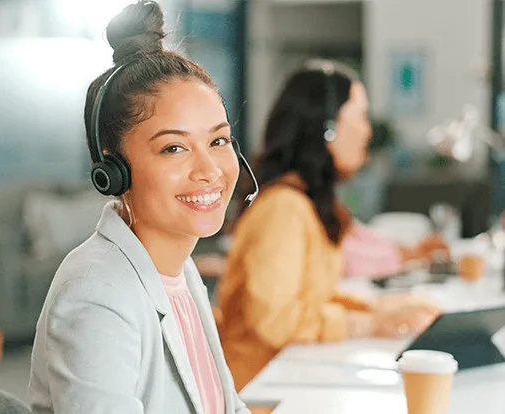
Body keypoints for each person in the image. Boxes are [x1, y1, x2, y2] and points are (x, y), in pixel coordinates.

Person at [28, 2, 250, 413]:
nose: (209, 170)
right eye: (174, 148)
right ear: (113, 170)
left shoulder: (179, 270)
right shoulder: (96, 295)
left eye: (218, 141)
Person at [216, 59, 440, 391]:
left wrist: (384, 308)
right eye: (360, 116)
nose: (367, 130)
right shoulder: (283, 209)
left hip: (287, 378)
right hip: (258, 391)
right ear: (328, 128)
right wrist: (369, 324)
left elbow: (308, 297)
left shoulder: (303, 204)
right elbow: (275, 320)